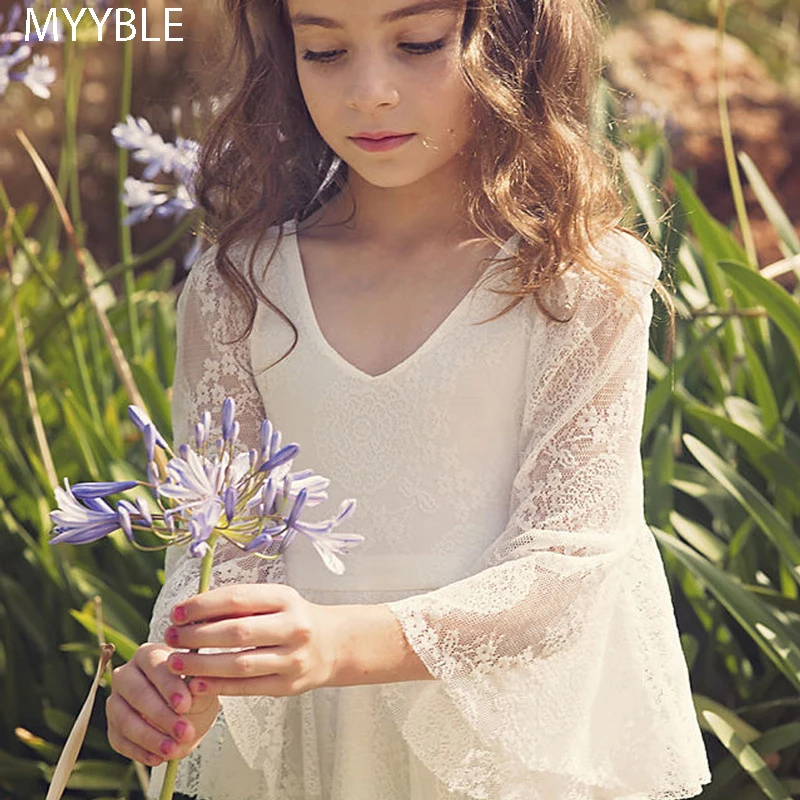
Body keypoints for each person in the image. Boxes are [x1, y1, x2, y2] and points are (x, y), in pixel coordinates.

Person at [105, 0, 713, 797]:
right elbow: (219, 539)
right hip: (303, 750)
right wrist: (182, 678)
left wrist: (338, 645)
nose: (369, 91)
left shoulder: (581, 280)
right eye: (323, 51)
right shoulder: (240, 286)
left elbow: (572, 563)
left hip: (501, 749)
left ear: (517, 41)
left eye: (418, 43)